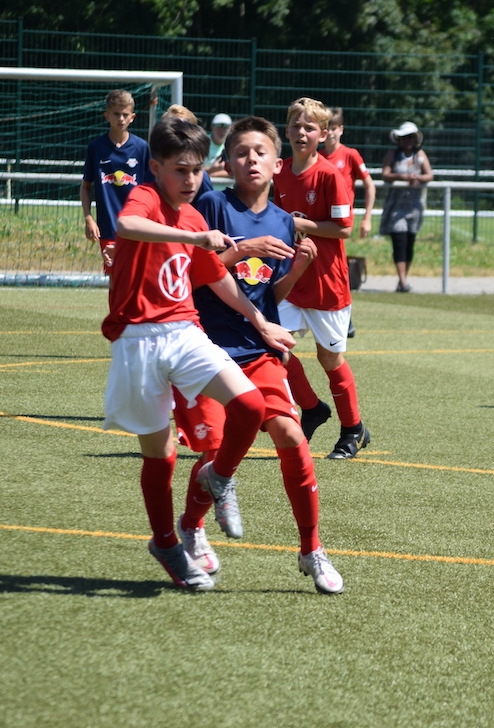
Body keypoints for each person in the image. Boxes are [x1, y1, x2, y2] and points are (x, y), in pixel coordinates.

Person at [101, 114, 295, 590]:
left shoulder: (191, 214)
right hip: (137, 340)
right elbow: (127, 224)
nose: (191, 180)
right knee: (161, 456)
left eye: (197, 170)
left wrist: (261, 321)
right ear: (157, 167)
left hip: (185, 331)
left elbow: (218, 280)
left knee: (249, 405)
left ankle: (218, 476)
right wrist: (192, 237)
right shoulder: (147, 197)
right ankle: (166, 542)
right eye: (180, 170)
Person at [173, 115, 343, 593]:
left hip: (257, 348)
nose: (251, 159)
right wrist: (240, 248)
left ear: (276, 163)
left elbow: (271, 295)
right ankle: (193, 527)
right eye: (242, 152)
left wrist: (299, 268)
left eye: (261, 152)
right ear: (227, 162)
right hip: (203, 347)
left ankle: (312, 550)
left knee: (292, 435)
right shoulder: (209, 205)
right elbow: (185, 274)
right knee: (214, 450)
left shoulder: (285, 221)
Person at [273, 96, 370, 459]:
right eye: (295, 126)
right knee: (273, 349)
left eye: (309, 127)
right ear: (286, 130)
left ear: (323, 133)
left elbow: (343, 228)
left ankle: (352, 429)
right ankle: (312, 408)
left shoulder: (329, 174)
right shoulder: (278, 170)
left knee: (330, 360)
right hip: (290, 278)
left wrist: (298, 223)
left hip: (327, 281)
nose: (301, 132)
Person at [320, 106, 377, 339]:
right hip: (321, 221)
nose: (331, 133)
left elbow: (369, 184)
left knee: (339, 269)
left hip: (341, 224)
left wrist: (367, 217)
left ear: (341, 130)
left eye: (334, 128)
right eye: (327, 129)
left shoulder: (350, 155)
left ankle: (346, 319)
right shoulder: (317, 156)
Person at [80, 89, 150, 274]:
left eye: (125, 114)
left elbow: (151, 189)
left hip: (138, 225)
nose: (121, 118)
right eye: (116, 114)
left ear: (132, 117)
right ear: (107, 116)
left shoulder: (142, 148)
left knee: (138, 275)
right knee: (115, 277)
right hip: (109, 226)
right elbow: (86, 187)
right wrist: (89, 219)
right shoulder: (96, 148)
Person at [379, 121, 433, 293]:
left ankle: (403, 279)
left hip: (414, 207)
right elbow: (385, 174)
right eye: (404, 137)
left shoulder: (420, 155)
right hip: (396, 205)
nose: (408, 141)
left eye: (411, 137)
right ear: (399, 139)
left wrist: (417, 179)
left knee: (409, 242)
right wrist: (402, 177)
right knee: (399, 241)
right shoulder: (393, 155)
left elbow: (429, 174)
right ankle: (402, 281)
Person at [204, 113, 232, 177]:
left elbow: (236, 173)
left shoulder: (233, 145)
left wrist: (211, 174)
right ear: (212, 127)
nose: (222, 130)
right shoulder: (201, 143)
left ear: (230, 128)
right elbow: (193, 171)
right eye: (218, 125)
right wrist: (212, 169)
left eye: (226, 126)